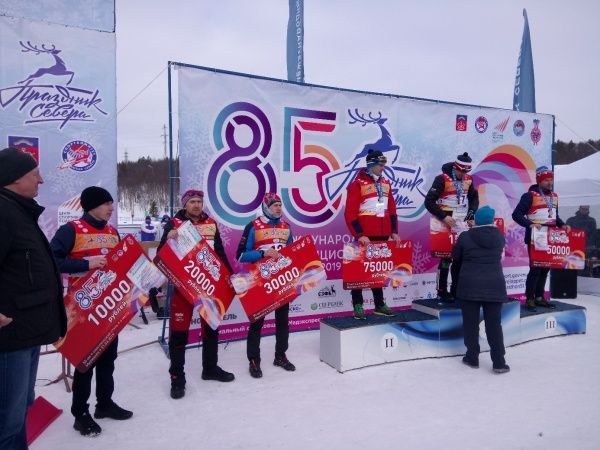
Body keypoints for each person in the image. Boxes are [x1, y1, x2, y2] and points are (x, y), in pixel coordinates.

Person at [50, 186, 132, 437]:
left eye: (111, 204)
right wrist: (86, 264)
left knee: (108, 359)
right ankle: (80, 414)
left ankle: (104, 404)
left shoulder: (112, 231)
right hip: (83, 308)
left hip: (109, 306)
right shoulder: (71, 230)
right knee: (85, 363)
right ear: (92, 206)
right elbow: (52, 260)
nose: (111, 208)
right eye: (106, 203)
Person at [0, 148, 67, 450]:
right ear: (14, 178)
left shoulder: (18, 211)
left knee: (20, 411)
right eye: (34, 174)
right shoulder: (3, 213)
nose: (41, 180)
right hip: (9, 336)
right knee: (7, 419)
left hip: (26, 330)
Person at [158, 189, 235, 399]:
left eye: (199, 201)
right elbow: (161, 254)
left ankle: (210, 368)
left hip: (208, 287)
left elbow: (220, 253)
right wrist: (169, 239)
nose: (196, 205)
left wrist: (229, 276)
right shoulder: (174, 223)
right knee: (179, 335)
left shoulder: (211, 223)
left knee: (211, 329)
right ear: (185, 204)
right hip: (184, 287)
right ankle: (177, 378)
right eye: (192, 201)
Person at [237, 193, 296, 378]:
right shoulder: (253, 226)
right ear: (265, 207)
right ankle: (254, 360)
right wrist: (263, 254)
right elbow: (240, 255)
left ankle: (280, 356)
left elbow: (292, 252)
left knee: (283, 321)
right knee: (257, 323)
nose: (278, 208)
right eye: (274, 205)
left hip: (281, 280)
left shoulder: (286, 227)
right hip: (260, 281)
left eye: (280, 205)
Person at [344, 149, 401, 320]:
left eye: (384, 164)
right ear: (371, 164)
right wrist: (359, 234)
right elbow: (350, 213)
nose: (383, 167)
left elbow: (392, 210)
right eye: (380, 164)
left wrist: (394, 232)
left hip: (383, 235)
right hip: (365, 237)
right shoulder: (357, 184)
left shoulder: (386, 183)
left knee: (378, 270)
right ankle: (358, 305)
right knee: (359, 271)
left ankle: (379, 304)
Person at [452, 206, 510, 374]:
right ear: (492, 220)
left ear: (476, 220)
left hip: (469, 285)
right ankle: (499, 362)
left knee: (470, 324)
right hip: (495, 286)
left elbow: (456, 257)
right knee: (494, 326)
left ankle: (472, 358)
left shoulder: (465, 236)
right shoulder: (499, 237)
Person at [512, 166, 570, 311]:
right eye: (546, 180)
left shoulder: (554, 196)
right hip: (536, 238)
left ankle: (539, 297)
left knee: (545, 269)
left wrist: (562, 225)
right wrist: (530, 224)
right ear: (539, 181)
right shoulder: (529, 196)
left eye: (551, 180)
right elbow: (516, 214)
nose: (550, 183)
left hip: (550, 237)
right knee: (535, 269)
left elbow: (554, 216)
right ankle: (529, 299)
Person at [424, 152, 479, 302]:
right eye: (461, 171)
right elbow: (429, 202)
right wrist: (443, 216)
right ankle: (442, 290)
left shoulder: (469, 179)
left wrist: (471, 214)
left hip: (461, 221)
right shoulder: (442, 179)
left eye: (466, 171)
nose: (463, 174)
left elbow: (474, 198)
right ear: (455, 167)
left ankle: (457, 289)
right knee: (445, 258)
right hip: (445, 221)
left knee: (459, 257)